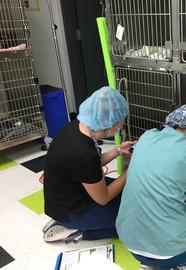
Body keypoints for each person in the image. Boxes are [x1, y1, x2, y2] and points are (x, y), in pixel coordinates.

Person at [116, 103, 186, 270]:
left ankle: (149, 264)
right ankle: (182, 266)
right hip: (169, 252)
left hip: (129, 242)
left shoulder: (147, 136)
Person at [43, 86, 134, 243]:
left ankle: (70, 221)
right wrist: (131, 171)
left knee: (132, 195)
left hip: (71, 195)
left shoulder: (78, 127)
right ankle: (76, 230)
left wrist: (118, 150)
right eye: (119, 122)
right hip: (73, 209)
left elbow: (93, 164)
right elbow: (103, 198)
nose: (121, 126)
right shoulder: (81, 152)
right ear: (107, 122)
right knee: (134, 220)